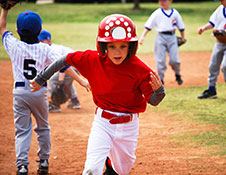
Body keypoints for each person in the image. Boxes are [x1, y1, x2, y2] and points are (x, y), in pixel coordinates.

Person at [30, 14, 166, 175]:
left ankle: (111, 165)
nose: (118, 52)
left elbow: (153, 101)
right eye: (112, 46)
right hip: (103, 123)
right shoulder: (92, 60)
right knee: (92, 168)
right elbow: (65, 59)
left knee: (122, 170)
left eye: (123, 46)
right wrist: (41, 78)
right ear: (103, 47)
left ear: (131, 46)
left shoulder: (139, 69)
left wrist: (159, 91)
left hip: (129, 126)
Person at [0, 7, 89, 175]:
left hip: (19, 93)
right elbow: (63, 65)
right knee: (43, 127)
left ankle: (22, 165)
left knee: (22, 130)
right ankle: (44, 161)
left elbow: (2, 29)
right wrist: (81, 80)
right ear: (40, 31)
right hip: (39, 92)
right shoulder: (46, 49)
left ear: (18, 30)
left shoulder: (13, 45)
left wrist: (4, 10)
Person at [139, 0, 186, 85]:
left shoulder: (175, 13)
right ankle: (161, 79)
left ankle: (177, 74)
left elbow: (181, 27)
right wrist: (142, 37)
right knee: (160, 60)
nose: (162, 2)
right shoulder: (157, 13)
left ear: (170, 1)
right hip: (160, 37)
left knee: (174, 60)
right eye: (160, 0)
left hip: (172, 37)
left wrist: (183, 37)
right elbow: (148, 26)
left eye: (164, 0)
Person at [38, 30, 81, 112]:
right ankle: (74, 101)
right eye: (38, 41)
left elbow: (62, 65)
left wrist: (60, 79)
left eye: (41, 41)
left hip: (74, 65)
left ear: (48, 40)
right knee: (66, 82)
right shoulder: (47, 49)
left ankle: (55, 105)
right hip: (76, 64)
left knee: (55, 80)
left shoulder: (53, 50)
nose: (39, 43)